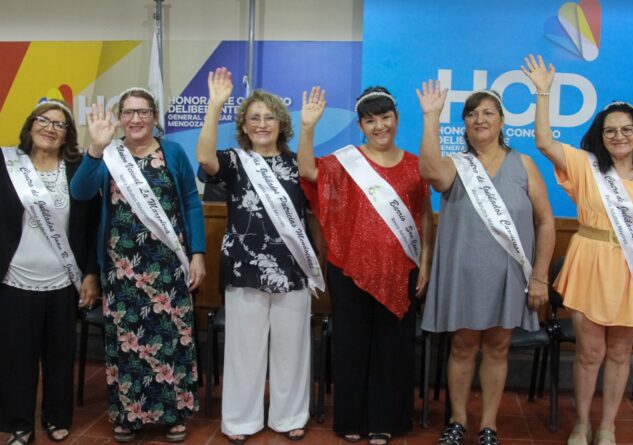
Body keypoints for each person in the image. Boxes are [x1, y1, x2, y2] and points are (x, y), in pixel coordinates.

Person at [521, 54, 633, 445]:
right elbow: (544, 142)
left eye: (626, 130)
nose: (619, 137)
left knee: (618, 353)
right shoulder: (585, 166)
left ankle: (607, 426)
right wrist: (543, 91)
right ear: (601, 135)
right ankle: (582, 423)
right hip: (591, 263)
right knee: (588, 353)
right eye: (610, 131)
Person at [0, 76, 100, 445]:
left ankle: (57, 418)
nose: (50, 128)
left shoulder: (77, 169)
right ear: (30, 127)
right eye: (43, 120)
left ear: (68, 133)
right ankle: (18, 424)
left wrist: (90, 273)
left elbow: (90, 225)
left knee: (59, 355)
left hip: (63, 281)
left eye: (59, 123)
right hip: (12, 279)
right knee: (15, 355)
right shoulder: (4, 162)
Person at [416, 80, 556, 445]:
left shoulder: (523, 164)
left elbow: (545, 221)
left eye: (488, 112)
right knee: (462, 347)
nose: (480, 118)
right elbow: (429, 172)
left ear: (502, 121)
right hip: (463, 277)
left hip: (508, 278)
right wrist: (431, 117)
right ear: (463, 124)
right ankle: (458, 421)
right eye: (472, 113)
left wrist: (540, 276)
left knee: (498, 347)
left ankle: (489, 425)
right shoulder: (454, 165)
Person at [298, 85, 433, 445]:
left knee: (393, 349)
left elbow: (424, 218)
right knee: (351, 348)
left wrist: (427, 264)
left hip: (399, 272)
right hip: (350, 271)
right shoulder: (346, 163)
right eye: (370, 120)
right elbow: (308, 171)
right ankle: (351, 420)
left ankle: (387, 420)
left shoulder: (416, 167)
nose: (379, 126)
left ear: (396, 119)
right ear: (360, 125)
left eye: (385, 118)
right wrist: (308, 126)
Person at [70, 87, 206, 443]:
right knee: (127, 342)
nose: (135, 119)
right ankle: (128, 415)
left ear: (155, 117)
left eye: (142, 112)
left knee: (171, 340)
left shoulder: (173, 152)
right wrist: (95, 149)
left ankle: (174, 414)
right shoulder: (109, 155)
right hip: (121, 269)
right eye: (128, 113)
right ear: (119, 118)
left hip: (169, 267)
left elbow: (191, 203)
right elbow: (80, 193)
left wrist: (198, 253)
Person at [195, 67, 322, 444]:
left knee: (291, 350)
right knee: (243, 351)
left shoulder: (295, 164)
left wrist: (310, 127)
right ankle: (241, 420)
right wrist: (215, 105)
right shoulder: (235, 161)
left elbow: (312, 188)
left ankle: (289, 417)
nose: (262, 124)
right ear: (244, 126)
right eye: (254, 118)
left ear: (281, 123)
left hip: (292, 267)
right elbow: (204, 158)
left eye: (269, 117)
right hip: (243, 266)